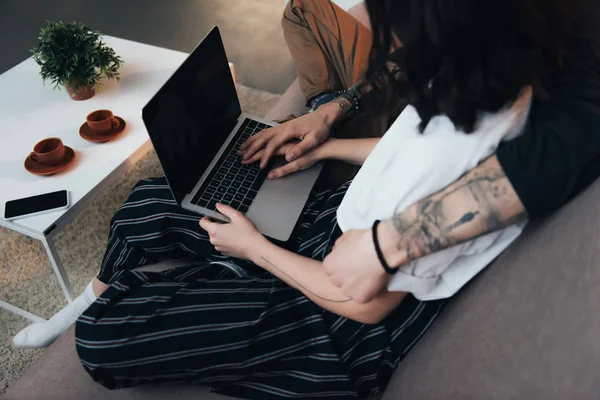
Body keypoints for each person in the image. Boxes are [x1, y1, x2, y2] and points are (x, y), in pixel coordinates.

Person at [11, 0, 597, 399]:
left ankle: (131, 297)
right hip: (333, 232)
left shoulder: (484, 136)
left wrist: (254, 249)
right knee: (147, 203)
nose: (380, 30)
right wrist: (328, 146)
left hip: (332, 326)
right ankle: (95, 295)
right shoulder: (482, 75)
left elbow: (363, 301)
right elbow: (406, 151)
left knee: (103, 338)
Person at [241, 0, 600, 303]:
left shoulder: (462, 140)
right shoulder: (477, 45)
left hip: (359, 244)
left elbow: (552, 154)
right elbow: (415, 51)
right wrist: (334, 111)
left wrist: (386, 245)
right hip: (404, 133)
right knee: (302, 8)